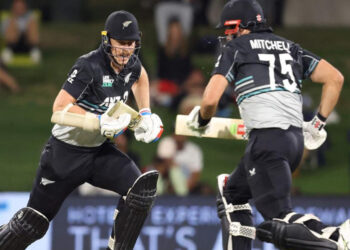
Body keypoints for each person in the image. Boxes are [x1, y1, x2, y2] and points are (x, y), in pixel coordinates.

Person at [186, 0, 348, 249]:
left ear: (242, 26)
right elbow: (335, 79)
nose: (227, 37)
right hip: (294, 142)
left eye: (229, 30)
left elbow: (209, 100)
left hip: (266, 142)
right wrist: (317, 124)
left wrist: (202, 119)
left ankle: (335, 235)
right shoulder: (291, 47)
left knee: (279, 219)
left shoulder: (238, 47)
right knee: (232, 194)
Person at [0, 10, 163, 250]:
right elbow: (58, 108)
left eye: (131, 44)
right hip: (64, 155)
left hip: (98, 153)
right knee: (31, 226)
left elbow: (140, 77)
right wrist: (97, 120)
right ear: (107, 40)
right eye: (121, 44)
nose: (126, 50)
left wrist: (146, 113)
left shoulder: (132, 64)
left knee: (141, 191)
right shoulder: (89, 65)